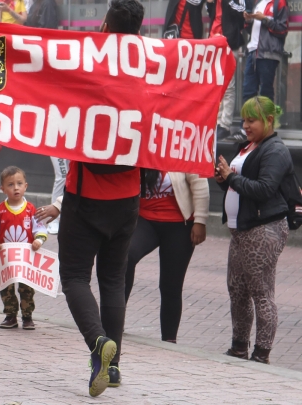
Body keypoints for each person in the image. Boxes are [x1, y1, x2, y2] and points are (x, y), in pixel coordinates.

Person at [34, 0, 144, 397]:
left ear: (105, 25)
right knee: (113, 279)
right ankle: (112, 369)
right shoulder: (149, 69)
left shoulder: (88, 66)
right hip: (128, 197)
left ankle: (99, 346)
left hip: (86, 195)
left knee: (75, 276)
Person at [215, 96, 291, 365]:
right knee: (237, 289)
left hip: (264, 229)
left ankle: (261, 353)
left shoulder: (275, 150)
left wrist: (232, 177)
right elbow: (239, 186)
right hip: (240, 230)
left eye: (252, 120)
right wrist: (225, 180)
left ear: (269, 121)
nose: (245, 125)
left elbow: (264, 189)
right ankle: (239, 347)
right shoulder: (249, 146)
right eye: (244, 120)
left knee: (261, 292)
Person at [124, 170, 209, 343]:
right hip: (144, 219)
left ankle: (169, 340)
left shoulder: (181, 147)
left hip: (179, 224)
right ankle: (113, 322)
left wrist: (200, 221)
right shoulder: (141, 149)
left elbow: (199, 183)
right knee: (125, 258)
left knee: (171, 285)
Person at [0, 166, 46, 330]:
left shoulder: (31, 210)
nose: (16, 188)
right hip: (6, 258)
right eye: (10, 185)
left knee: (27, 287)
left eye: (19, 183)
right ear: (3, 189)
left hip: (26, 258)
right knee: (6, 287)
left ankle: (27, 316)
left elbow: (40, 229)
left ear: (26, 186)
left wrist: (39, 240)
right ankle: (10, 315)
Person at [208, 0, 246, 141]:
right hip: (214, 43)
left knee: (228, 86)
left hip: (228, 43)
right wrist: (210, 4)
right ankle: (217, 122)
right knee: (217, 85)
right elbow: (213, 15)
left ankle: (225, 124)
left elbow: (242, 11)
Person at [241, 0, 288, 107]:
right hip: (252, 51)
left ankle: (266, 123)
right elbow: (251, 30)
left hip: (268, 53)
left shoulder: (279, 3)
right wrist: (248, 21)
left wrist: (264, 19)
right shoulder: (258, 3)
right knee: (248, 92)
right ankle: (248, 122)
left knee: (265, 93)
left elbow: (282, 29)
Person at [46, 157, 68, 234]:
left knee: (72, 175)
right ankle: (53, 220)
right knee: (62, 176)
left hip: (72, 146)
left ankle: (66, 218)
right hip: (59, 147)